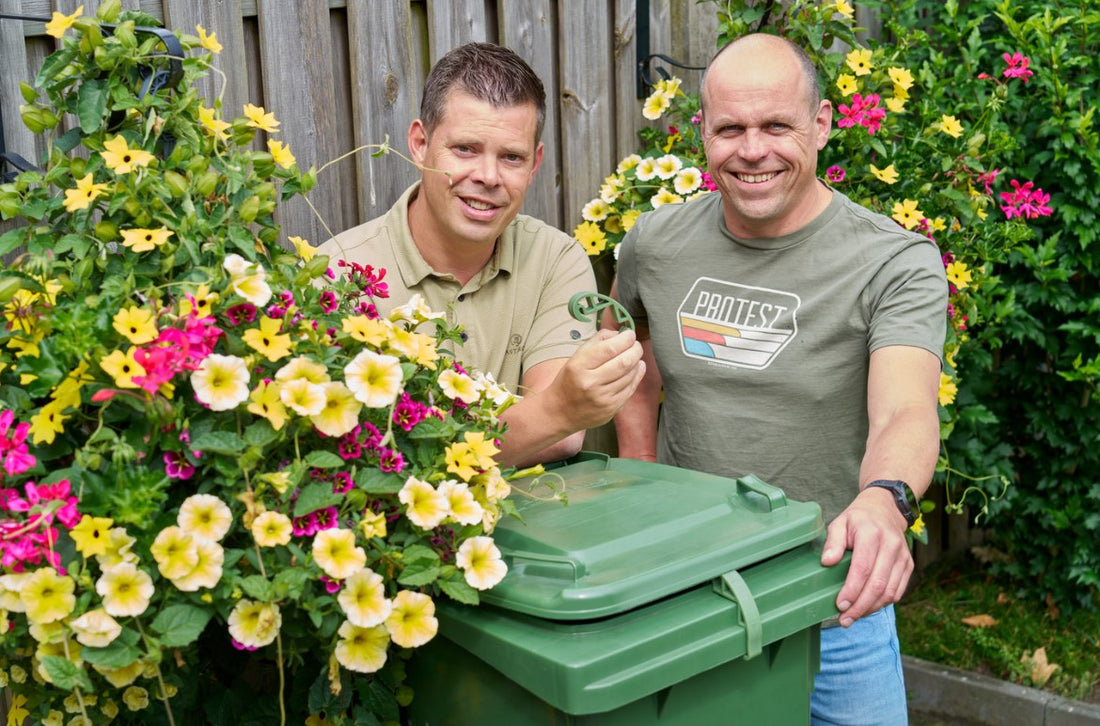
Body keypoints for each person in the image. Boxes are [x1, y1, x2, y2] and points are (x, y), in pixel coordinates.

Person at [606, 33, 947, 724]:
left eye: (776, 126)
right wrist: (640, 474)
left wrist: (885, 499)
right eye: (730, 128)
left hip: (829, 598)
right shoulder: (654, 243)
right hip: (680, 589)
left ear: (821, 124)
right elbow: (627, 351)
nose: (752, 150)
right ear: (702, 132)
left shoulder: (895, 261)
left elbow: (904, 411)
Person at [319, 42, 644, 469]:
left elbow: (561, 440)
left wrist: (559, 415)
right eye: (466, 149)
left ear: (534, 165)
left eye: (511, 157)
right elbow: (357, 456)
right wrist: (556, 411)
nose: (488, 177)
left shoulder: (554, 257)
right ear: (420, 144)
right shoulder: (338, 272)